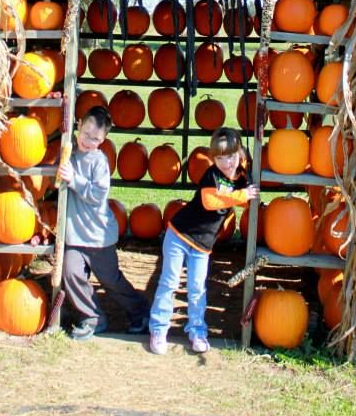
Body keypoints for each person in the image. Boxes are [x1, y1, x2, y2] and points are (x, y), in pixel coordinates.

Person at [148, 127, 259, 355]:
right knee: (169, 282)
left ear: (239, 153)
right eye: (219, 158)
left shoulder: (240, 177)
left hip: (202, 246)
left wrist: (245, 167)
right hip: (179, 235)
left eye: (230, 156)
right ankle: (159, 330)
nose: (226, 163)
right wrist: (242, 195)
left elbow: (247, 199)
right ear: (212, 158)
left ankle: (197, 331)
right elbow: (210, 202)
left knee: (197, 288)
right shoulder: (212, 175)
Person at [58, 105, 150, 341]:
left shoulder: (99, 162)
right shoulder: (69, 154)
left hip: (98, 237)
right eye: (86, 134)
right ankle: (92, 317)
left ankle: (140, 312)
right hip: (75, 237)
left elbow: (97, 194)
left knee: (111, 280)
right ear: (79, 126)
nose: (88, 141)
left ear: (104, 139)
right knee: (71, 274)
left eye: (96, 139)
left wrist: (74, 179)